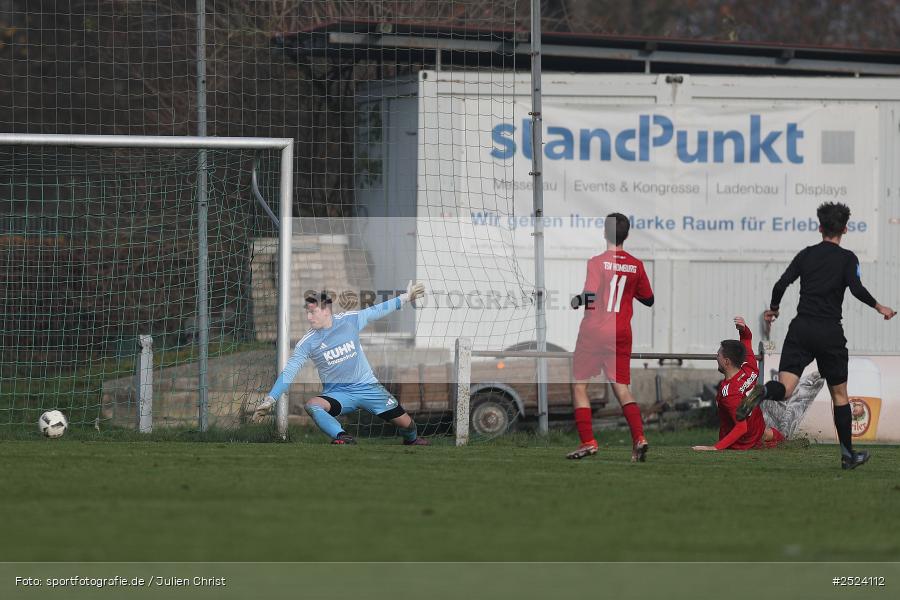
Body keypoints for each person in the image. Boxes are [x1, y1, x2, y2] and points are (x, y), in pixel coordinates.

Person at [737, 202, 896, 469]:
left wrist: (774, 309)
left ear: (820, 227)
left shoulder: (806, 255)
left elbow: (780, 284)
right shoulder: (848, 259)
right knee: (840, 395)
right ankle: (848, 455)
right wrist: (879, 307)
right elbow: (856, 288)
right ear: (845, 229)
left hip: (801, 328)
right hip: (829, 332)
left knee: (785, 389)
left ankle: (762, 391)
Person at [253, 283, 430, 445]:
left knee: (408, 425)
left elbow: (377, 310)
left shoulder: (350, 320)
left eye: (312, 312)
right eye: (307, 312)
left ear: (326, 311)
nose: (308, 317)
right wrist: (271, 399)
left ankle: (412, 440)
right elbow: (289, 372)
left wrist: (406, 297)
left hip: (368, 387)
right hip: (338, 394)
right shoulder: (307, 342)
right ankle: (342, 436)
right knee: (312, 405)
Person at [567, 213, 654, 462]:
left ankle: (588, 441)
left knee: (579, 385)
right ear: (626, 235)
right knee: (622, 389)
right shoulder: (636, 265)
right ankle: (639, 438)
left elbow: (590, 295)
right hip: (621, 333)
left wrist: (576, 300)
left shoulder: (597, 262)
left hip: (594, 332)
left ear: (605, 233)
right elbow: (649, 299)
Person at [692, 317, 786, 452]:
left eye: (718, 355)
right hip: (757, 427)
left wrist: (714, 447)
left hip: (743, 440)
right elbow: (747, 339)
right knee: (767, 434)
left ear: (727, 361)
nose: (716, 357)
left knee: (748, 435)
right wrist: (743, 330)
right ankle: (785, 442)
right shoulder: (749, 367)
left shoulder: (729, 392)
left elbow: (741, 428)